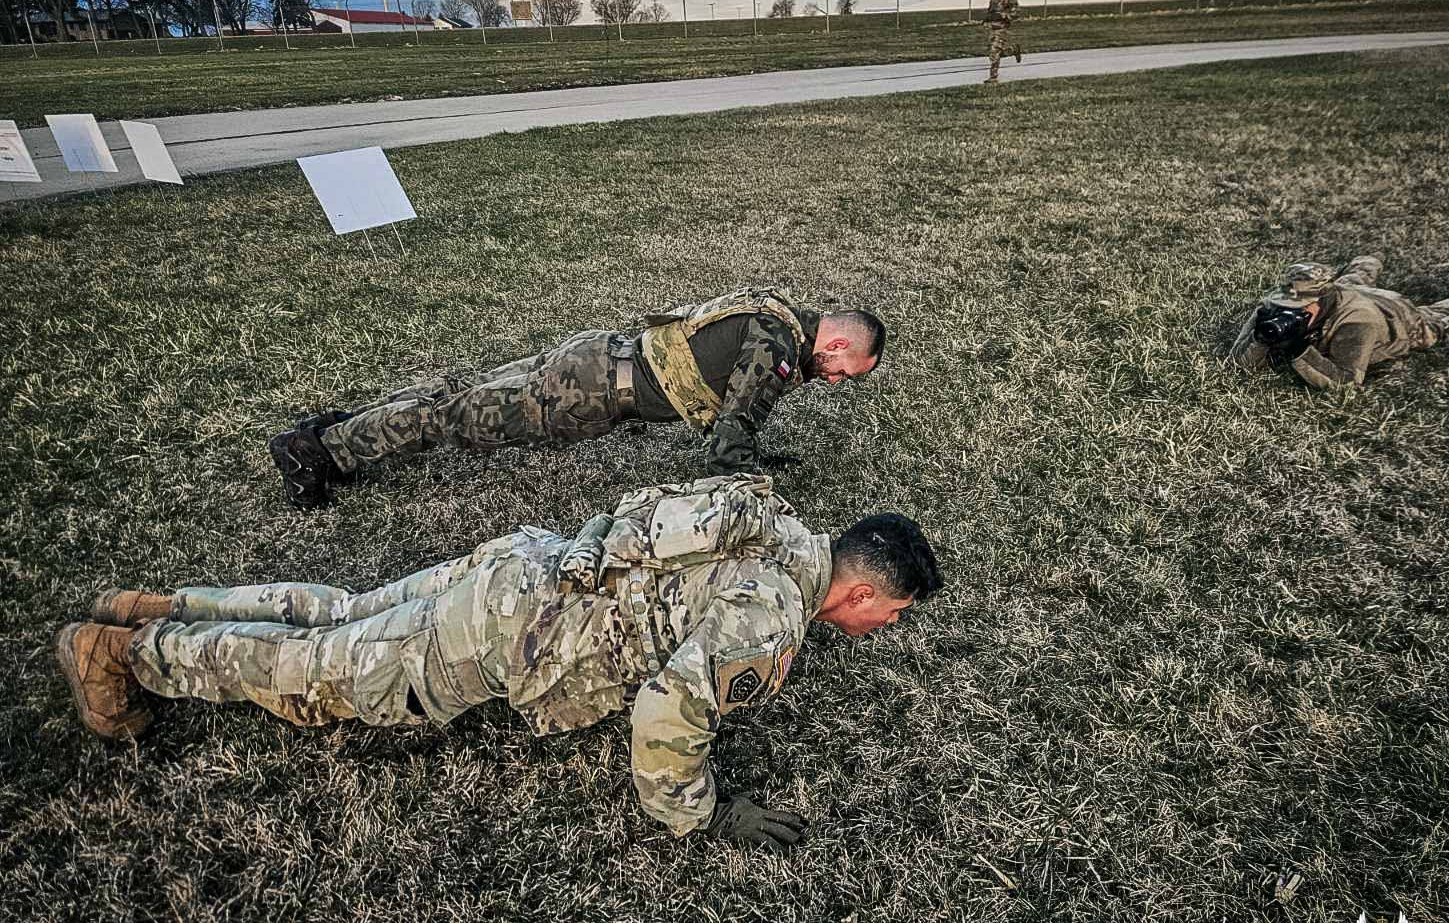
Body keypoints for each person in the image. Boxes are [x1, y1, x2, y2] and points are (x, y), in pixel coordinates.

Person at [55, 476, 943, 848]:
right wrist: (703, 815)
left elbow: (640, 511)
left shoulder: (768, 514)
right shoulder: (772, 620)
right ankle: (128, 655)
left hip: (524, 563)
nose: (884, 628)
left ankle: (165, 606)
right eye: (892, 615)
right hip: (510, 631)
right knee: (325, 678)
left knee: (349, 612)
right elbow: (667, 715)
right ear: (864, 592)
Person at [269, 288, 886, 508]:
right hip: (583, 392)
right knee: (454, 418)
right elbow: (731, 437)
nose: (836, 380)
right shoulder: (778, 347)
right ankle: (320, 450)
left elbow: (726, 400)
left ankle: (341, 430)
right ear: (834, 342)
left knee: (459, 394)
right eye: (843, 370)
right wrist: (755, 499)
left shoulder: (776, 310)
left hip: (596, 354)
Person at [1229, 256, 1449, 388]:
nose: (1288, 311)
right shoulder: (1278, 303)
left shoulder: (1358, 322)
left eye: (1300, 308)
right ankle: (1368, 261)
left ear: (1321, 303)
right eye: (1287, 305)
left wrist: (1299, 349)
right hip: (1349, 291)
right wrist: (1261, 337)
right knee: (1351, 282)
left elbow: (1345, 381)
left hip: (1398, 316)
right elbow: (1238, 363)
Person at [983, 0, 1022, 84]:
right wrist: (986, 20)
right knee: (997, 52)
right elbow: (990, 12)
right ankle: (1013, 49)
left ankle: (993, 77)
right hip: (992, 28)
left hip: (1002, 29)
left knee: (994, 51)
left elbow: (1017, 12)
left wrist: (1004, 15)